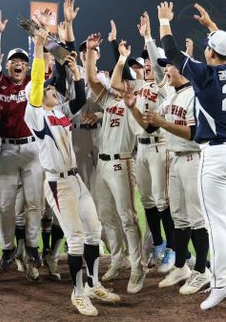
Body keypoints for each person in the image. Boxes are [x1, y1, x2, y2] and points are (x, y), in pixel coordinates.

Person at [157, 1, 226, 310]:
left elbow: (172, 52)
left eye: (208, 48)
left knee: (217, 222)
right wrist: (212, 26)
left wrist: (164, 21)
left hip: (217, 154)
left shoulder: (205, 75)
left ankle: (221, 283)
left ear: (212, 54)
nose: (205, 51)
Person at [25, 28, 120, 316]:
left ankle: (92, 284)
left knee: (94, 232)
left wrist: (77, 74)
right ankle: (78, 293)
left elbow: (78, 101)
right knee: (76, 238)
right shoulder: (36, 115)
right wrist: (39, 49)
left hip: (75, 178)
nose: (53, 91)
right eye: (48, 90)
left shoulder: (58, 112)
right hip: (57, 183)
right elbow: (37, 85)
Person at [125, 42, 212, 295]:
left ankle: (202, 271)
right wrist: (132, 108)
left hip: (193, 158)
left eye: (170, 66)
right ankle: (181, 266)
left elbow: (194, 133)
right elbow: (150, 126)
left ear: (182, 69)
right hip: (175, 159)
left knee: (197, 218)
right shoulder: (173, 95)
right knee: (180, 217)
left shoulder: (194, 94)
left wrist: (162, 122)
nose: (166, 71)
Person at [109, 12, 176, 273]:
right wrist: (120, 56)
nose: (148, 64)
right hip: (142, 148)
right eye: (145, 61)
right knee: (147, 200)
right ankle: (158, 244)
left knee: (162, 201)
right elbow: (117, 80)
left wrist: (148, 37)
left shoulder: (163, 86)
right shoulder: (137, 85)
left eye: (151, 60)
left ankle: (172, 249)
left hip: (160, 145)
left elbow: (158, 67)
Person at [84, 32, 146, 294]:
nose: (115, 82)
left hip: (122, 162)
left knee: (127, 217)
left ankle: (138, 267)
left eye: (120, 79)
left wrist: (121, 61)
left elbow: (142, 126)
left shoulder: (136, 104)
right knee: (106, 216)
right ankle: (118, 259)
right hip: (102, 164)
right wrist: (90, 52)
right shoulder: (109, 100)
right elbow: (90, 79)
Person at [0, 9, 44, 281]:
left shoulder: (32, 82)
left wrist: (39, 35)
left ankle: (32, 247)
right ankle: (8, 248)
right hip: (8, 150)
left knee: (34, 204)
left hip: (32, 149)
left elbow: (40, 64)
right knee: (6, 205)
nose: (19, 64)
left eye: (22, 61)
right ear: (7, 66)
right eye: (14, 61)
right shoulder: (0, 84)